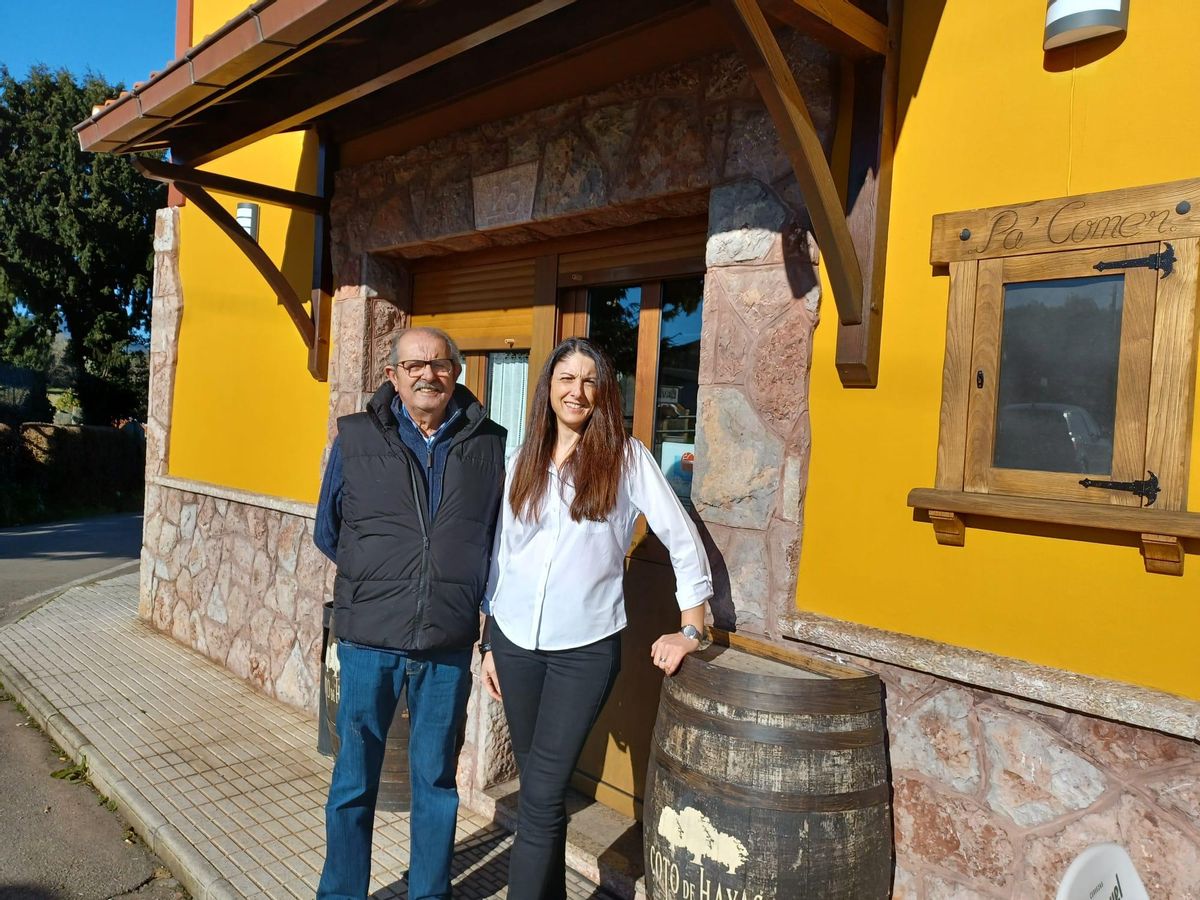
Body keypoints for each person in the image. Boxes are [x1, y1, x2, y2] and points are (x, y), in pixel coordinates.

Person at [479, 337, 712, 900]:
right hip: (514, 642)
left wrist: (691, 625)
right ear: (549, 388)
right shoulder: (521, 458)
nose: (576, 391)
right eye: (565, 378)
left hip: (583, 651)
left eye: (589, 380)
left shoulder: (626, 457)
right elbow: (501, 553)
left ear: (603, 393)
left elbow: (680, 538)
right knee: (542, 788)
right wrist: (488, 639)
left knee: (537, 796)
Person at [313, 326, 506, 900]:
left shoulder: (490, 443)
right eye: (414, 364)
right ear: (392, 375)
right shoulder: (354, 436)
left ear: (457, 373)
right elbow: (330, 530)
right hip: (369, 639)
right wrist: (387, 572)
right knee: (353, 781)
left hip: (446, 643)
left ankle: (429, 893)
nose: (428, 374)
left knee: (436, 783)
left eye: (441, 364)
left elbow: (497, 540)